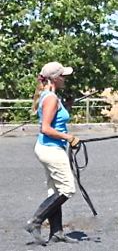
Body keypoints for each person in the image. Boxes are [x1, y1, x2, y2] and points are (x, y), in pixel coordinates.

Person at [25, 61, 80, 245]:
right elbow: (46, 128)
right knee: (67, 189)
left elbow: (55, 120)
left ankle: (57, 232)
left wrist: (67, 107)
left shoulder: (50, 97)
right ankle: (36, 221)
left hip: (49, 148)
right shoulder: (50, 99)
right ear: (54, 79)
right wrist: (69, 137)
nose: (65, 79)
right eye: (62, 76)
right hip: (51, 148)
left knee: (55, 190)